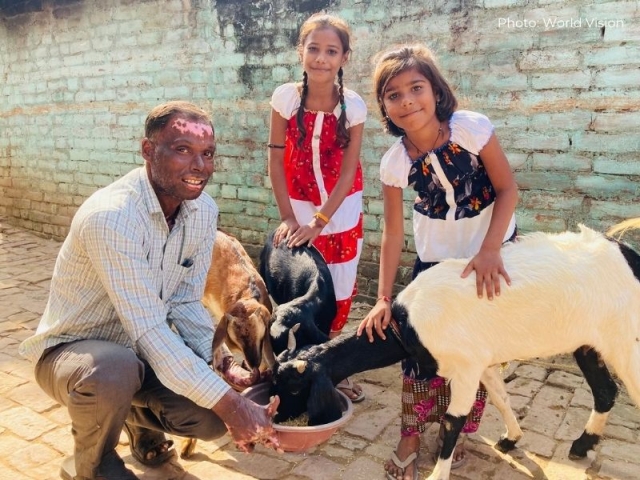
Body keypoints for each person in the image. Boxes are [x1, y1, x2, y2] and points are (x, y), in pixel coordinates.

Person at [19, 101, 281, 480]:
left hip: (138, 351)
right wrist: (234, 407)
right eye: (182, 150)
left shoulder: (202, 210)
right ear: (148, 151)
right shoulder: (112, 218)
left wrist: (223, 363)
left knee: (209, 417)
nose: (200, 167)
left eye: (207, 154)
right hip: (74, 357)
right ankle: (91, 465)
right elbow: (152, 330)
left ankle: (133, 419)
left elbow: (185, 301)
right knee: (115, 371)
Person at [357, 44, 518, 480]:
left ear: (436, 90)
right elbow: (392, 234)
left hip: (488, 257)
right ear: (385, 108)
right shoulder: (394, 164)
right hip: (435, 265)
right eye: (393, 95)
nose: (407, 100)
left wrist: (490, 250)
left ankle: (457, 428)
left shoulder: (471, 130)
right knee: (417, 351)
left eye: (416, 88)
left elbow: (507, 189)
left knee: (474, 349)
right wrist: (383, 297)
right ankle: (410, 434)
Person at [267, 13, 367, 402]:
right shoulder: (286, 99)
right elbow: (275, 160)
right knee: (304, 286)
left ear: (344, 57)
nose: (321, 58)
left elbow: (347, 171)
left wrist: (320, 221)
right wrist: (290, 217)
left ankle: (333, 366)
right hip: (298, 203)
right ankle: (299, 360)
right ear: (300, 52)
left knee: (339, 288)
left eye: (331, 51)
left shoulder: (353, 106)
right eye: (313, 49)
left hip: (340, 210)